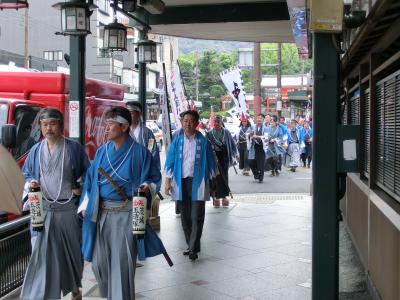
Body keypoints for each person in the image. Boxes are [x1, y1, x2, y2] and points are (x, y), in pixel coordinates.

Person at [79, 107, 161, 300]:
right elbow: (91, 181)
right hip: (101, 213)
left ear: (124, 127)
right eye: (106, 124)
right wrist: (85, 205)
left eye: (110, 124)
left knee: (122, 265)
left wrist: (145, 187)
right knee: (99, 264)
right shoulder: (101, 151)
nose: (106, 128)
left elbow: (153, 179)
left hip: (127, 213)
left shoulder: (140, 153)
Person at [20, 108, 90, 300]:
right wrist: (31, 183)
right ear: (40, 127)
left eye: (52, 123)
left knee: (73, 254)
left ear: (61, 125)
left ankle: (75, 287)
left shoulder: (74, 148)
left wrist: (81, 187)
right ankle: (44, 295)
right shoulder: (35, 150)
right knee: (41, 256)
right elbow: (27, 174)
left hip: (68, 209)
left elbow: (88, 175)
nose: (48, 128)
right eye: (44, 125)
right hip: (43, 210)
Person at [164, 110, 216, 261]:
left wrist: (214, 182)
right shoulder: (177, 141)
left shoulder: (203, 142)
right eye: (185, 120)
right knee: (185, 216)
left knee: (197, 216)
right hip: (181, 182)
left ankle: (193, 247)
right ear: (182, 122)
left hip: (198, 182)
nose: (188, 123)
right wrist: (167, 181)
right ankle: (191, 244)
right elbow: (170, 162)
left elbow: (212, 163)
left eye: (191, 121)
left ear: (197, 123)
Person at [206, 115, 238, 207]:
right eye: (215, 122)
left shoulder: (226, 132)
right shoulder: (209, 133)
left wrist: (236, 154)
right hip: (213, 158)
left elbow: (232, 144)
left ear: (221, 122)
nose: (216, 124)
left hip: (224, 157)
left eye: (218, 122)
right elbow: (206, 146)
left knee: (224, 176)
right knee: (215, 178)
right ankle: (215, 197)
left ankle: (224, 197)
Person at [126, 101, 161, 172]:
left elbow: (152, 151)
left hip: (143, 170)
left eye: (131, 113)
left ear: (139, 114)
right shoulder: (123, 131)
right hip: (126, 170)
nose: (128, 115)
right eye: (127, 113)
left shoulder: (147, 132)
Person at [248, 114, 268, 183]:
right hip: (254, 146)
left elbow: (266, 137)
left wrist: (257, 137)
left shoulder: (265, 128)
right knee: (251, 161)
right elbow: (248, 135)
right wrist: (250, 135)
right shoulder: (253, 127)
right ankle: (256, 174)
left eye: (260, 118)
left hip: (262, 147)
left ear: (263, 120)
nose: (259, 119)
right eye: (258, 118)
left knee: (260, 163)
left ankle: (261, 178)